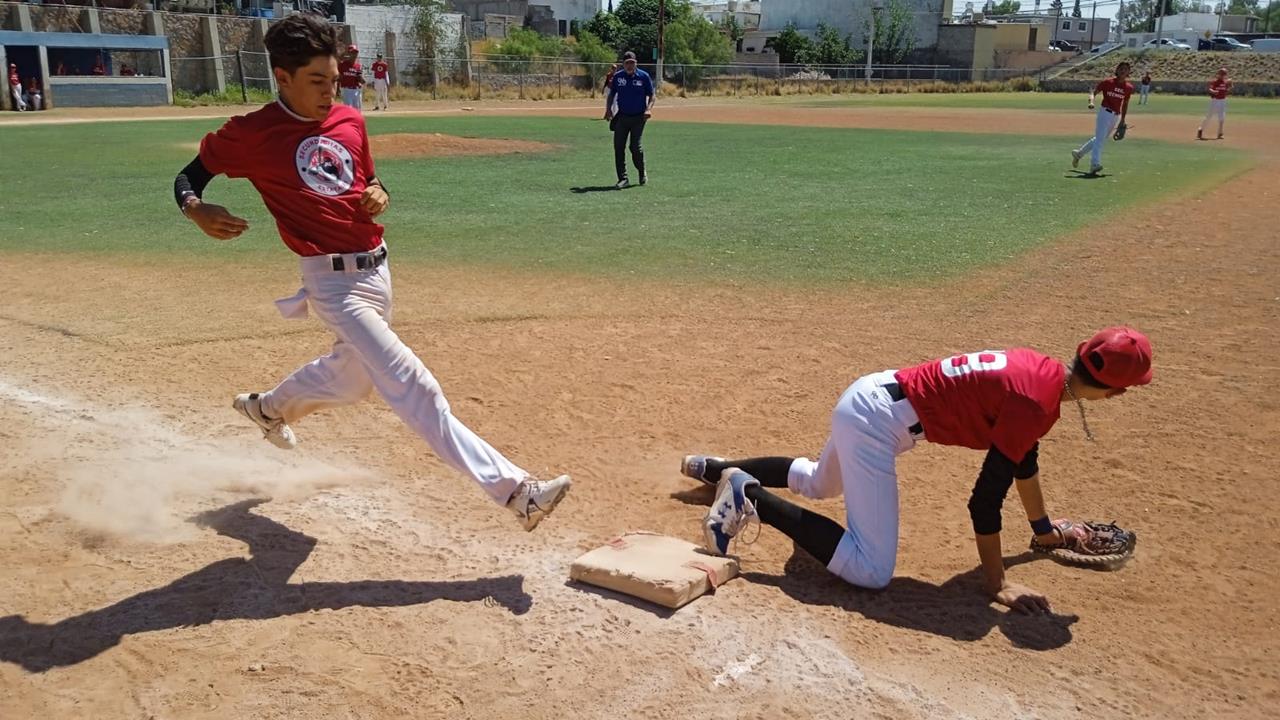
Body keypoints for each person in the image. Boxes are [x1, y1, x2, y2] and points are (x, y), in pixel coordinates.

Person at [170, 14, 571, 532]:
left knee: (353, 379)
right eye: (317, 81)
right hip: (331, 282)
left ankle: (268, 410)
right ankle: (518, 492)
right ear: (283, 77)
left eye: (334, 80)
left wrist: (381, 192)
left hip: (377, 271)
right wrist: (195, 208)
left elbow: (369, 180)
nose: (330, 92)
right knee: (412, 384)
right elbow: (190, 175)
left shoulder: (350, 123)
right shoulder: (252, 133)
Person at [682, 327, 1153, 614]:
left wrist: (1043, 531)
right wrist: (999, 584)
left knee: (819, 482)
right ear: (1116, 392)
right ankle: (746, 494)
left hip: (869, 394)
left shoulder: (1042, 372)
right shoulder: (1037, 404)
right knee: (871, 570)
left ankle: (717, 470)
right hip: (876, 424)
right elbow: (985, 501)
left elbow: (1023, 462)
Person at [1070, 61, 1133, 177]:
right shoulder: (1107, 83)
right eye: (1121, 68)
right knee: (1100, 140)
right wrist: (1091, 101)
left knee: (1100, 138)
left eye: (1126, 69)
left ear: (1128, 72)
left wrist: (1123, 120)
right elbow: (1093, 93)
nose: (1123, 70)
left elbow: (1125, 104)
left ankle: (1079, 154)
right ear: (1117, 70)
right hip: (1105, 112)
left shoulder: (1128, 88)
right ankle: (1094, 164)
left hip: (1115, 116)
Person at [604, 51, 654, 189]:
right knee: (618, 147)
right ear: (623, 64)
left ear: (636, 63)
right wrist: (608, 110)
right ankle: (623, 178)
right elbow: (612, 94)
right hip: (622, 116)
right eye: (627, 63)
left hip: (639, 117)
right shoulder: (618, 77)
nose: (630, 66)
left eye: (632, 63)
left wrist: (648, 109)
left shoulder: (644, 76)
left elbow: (651, 95)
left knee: (634, 147)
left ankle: (641, 171)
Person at [1197, 67, 1231, 141]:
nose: (1222, 75)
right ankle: (1200, 129)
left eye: (1224, 74)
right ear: (1218, 74)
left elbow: (1227, 91)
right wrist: (1213, 91)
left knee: (1222, 118)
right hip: (1215, 101)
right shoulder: (1215, 82)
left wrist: (1230, 86)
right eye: (1221, 74)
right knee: (1209, 117)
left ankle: (1220, 133)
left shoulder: (1225, 82)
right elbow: (1210, 89)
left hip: (1223, 101)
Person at [337, 43, 364, 112]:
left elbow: (361, 80)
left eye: (355, 52)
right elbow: (338, 77)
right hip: (346, 89)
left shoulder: (358, 66)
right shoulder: (342, 65)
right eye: (352, 52)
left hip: (356, 90)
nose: (354, 54)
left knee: (358, 110)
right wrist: (337, 89)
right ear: (348, 53)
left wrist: (361, 79)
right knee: (348, 110)